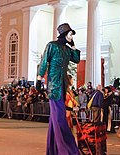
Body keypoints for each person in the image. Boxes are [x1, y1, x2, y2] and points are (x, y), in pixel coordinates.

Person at [36, 23, 80, 155]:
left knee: (55, 119)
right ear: (64, 34)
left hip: (62, 86)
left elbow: (76, 59)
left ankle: (53, 150)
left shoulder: (67, 49)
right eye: (70, 34)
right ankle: (66, 150)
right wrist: (39, 79)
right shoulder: (52, 45)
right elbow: (44, 62)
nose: (72, 36)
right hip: (54, 87)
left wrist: (73, 46)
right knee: (60, 118)